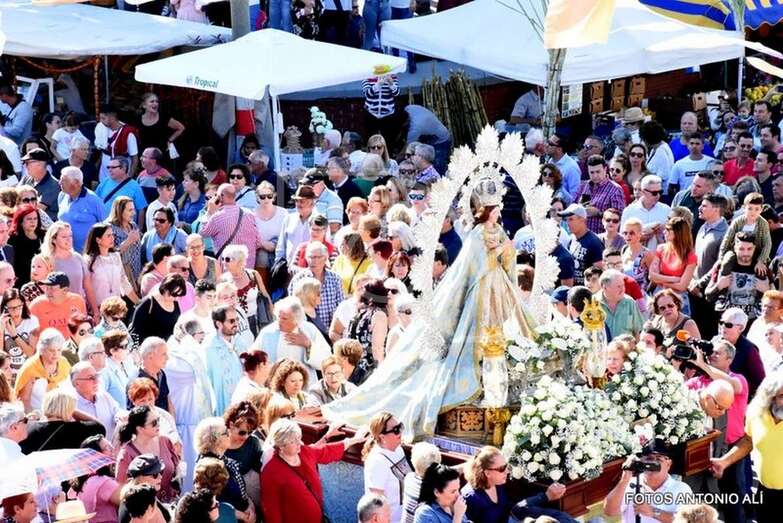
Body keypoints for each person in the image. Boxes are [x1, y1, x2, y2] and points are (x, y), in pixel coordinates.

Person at [324, 176, 536, 436]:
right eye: (493, 209)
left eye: (498, 208)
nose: (497, 213)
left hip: (499, 289)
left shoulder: (500, 232)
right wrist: (494, 256)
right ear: (485, 211)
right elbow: (472, 265)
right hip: (481, 290)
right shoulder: (477, 234)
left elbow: (509, 259)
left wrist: (505, 253)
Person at [260, 417, 369, 523]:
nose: (299, 442)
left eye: (299, 437)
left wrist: (354, 440)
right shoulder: (271, 472)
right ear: (280, 446)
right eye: (293, 441)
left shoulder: (304, 452)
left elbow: (327, 451)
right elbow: (271, 512)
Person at [710, 373, 783, 522]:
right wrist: (724, 462)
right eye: (782, 396)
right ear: (770, 397)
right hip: (766, 492)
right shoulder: (756, 414)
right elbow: (748, 441)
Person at [604, 443, 693, 523]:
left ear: (668, 464)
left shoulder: (681, 488)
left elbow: (687, 521)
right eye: (649, 458)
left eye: (659, 459)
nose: (653, 462)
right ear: (641, 462)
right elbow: (609, 512)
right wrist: (624, 479)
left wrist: (653, 512)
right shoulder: (630, 484)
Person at [255, 297, 332, 383]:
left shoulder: (309, 330)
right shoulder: (267, 332)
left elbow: (327, 360)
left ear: (296, 320)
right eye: (279, 317)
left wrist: (308, 344)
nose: (280, 321)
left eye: (284, 318)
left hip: (304, 387)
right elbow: (254, 356)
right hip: (276, 387)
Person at [195, 417, 255, 522]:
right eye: (226, 433)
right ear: (214, 439)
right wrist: (244, 516)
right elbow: (213, 503)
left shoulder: (223, 458)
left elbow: (240, 491)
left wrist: (249, 506)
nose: (230, 435)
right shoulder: (208, 466)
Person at [117, 405, 181, 503]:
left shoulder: (165, 441)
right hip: (146, 511)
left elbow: (176, 468)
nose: (158, 425)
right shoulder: (126, 454)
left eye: (158, 420)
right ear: (140, 429)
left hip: (171, 505)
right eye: (154, 423)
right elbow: (121, 491)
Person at [20, 388, 104, 453]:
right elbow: (100, 426)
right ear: (70, 409)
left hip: (34, 474)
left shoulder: (27, 428)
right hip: (66, 473)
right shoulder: (77, 430)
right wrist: (72, 411)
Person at [201, 183, 261, 268]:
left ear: (221, 196)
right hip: (247, 269)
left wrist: (209, 212)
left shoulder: (217, 217)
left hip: (227, 270)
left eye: (216, 195)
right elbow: (258, 242)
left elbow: (203, 233)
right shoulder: (250, 214)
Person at [220, 244, 272, 335]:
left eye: (227, 259)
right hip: (234, 323)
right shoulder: (223, 280)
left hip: (255, 321)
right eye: (223, 259)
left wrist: (272, 313)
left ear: (239, 261)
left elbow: (265, 295)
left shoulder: (253, 275)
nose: (224, 262)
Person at [649, 217, 697, 314]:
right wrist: (674, 279)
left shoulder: (690, 256)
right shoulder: (661, 249)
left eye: (667, 230)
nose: (664, 232)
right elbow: (652, 276)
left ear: (678, 233)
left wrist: (663, 282)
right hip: (660, 296)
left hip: (678, 300)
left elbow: (682, 286)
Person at [203, 305, 245, 415]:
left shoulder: (240, 342)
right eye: (231, 321)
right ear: (218, 324)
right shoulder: (209, 348)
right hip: (222, 406)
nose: (236, 324)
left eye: (237, 320)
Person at [84, 223, 139, 308]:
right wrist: (95, 311)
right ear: (98, 240)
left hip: (116, 309)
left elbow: (124, 282)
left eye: (112, 235)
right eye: (108, 236)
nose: (112, 238)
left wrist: (138, 303)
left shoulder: (116, 256)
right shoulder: (88, 260)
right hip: (98, 309)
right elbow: (87, 288)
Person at [716, 308, 766, 398]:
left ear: (741, 328)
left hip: (736, 397)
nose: (723, 326)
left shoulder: (749, 349)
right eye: (721, 322)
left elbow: (760, 381)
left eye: (728, 324)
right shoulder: (714, 341)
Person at [573, 155, 626, 234]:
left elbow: (620, 217)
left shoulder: (615, 189)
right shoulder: (583, 186)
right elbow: (572, 207)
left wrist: (599, 213)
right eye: (592, 172)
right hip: (581, 235)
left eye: (598, 172)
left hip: (602, 238)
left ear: (605, 169)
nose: (595, 175)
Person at [71, 360, 121, 439]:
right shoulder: (70, 404)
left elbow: (118, 411)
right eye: (91, 378)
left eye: (97, 376)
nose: (97, 381)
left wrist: (120, 416)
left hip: (111, 449)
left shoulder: (104, 396)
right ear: (76, 383)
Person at [0, 288, 40, 384]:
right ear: (5, 308)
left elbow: (31, 354)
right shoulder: (1, 323)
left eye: (19, 306)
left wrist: (14, 335)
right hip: (7, 375)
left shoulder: (32, 322)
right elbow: (0, 356)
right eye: (12, 308)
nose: (16, 311)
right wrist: (1, 331)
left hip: (27, 373)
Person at [129, 337, 175, 415]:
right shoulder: (136, 381)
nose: (167, 358)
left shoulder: (161, 374)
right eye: (164, 354)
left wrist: (171, 424)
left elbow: (168, 401)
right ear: (150, 356)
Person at [137, 93, 185, 166]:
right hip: (145, 157)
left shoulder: (164, 117)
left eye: (157, 101)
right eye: (152, 101)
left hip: (161, 156)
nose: (155, 104)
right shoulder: (138, 119)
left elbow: (181, 128)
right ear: (144, 105)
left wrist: (170, 140)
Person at [560, 203, 603, 285]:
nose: (568, 223)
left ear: (582, 220)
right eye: (567, 220)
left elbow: (599, 273)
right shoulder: (571, 239)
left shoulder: (594, 242)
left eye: (571, 219)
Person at [108, 195, 144, 286]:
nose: (134, 213)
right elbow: (109, 254)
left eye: (134, 209)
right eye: (130, 210)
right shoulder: (109, 228)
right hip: (120, 279)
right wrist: (128, 241)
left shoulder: (133, 226)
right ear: (119, 211)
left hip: (136, 277)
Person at [254, 181, 287, 277]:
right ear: (257, 197)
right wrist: (263, 244)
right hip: (259, 262)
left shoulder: (283, 213)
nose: (266, 199)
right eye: (262, 196)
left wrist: (275, 244)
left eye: (269, 196)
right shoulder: (251, 214)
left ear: (274, 196)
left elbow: (287, 235)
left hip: (279, 260)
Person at [598, 269, 644, 338]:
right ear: (605, 288)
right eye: (618, 286)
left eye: (623, 285)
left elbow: (638, 332)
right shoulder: (593, 303)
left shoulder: (630, 302)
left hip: (627, 348)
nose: (623, 289)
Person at [8, 204, 46, 286]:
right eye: (29, 219)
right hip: (20, 282)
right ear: (21, 221)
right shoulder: (13, 239)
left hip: (42, 282)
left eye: (35, 219)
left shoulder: (43, 236)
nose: (33, 221)